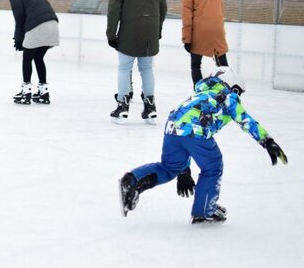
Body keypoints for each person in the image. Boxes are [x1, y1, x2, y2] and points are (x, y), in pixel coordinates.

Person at [119, 67, 288, 224]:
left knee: (169, 168)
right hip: (197, 131)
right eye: (239, 92)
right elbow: (245, 120)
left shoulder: (200, 94)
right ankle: (204, 211)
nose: (239, 97)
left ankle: (131, 181)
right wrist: (267, 141)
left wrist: (184, 171)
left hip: (172, 128)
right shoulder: (227, 96)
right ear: (234, 87)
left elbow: (185, 129)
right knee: (213, 167)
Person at [106, 0, 167, 123]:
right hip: (150, 34)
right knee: (147, 68)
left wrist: (111, 34)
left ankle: (123, 107)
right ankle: (150, 107)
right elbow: (163, 8)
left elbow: (114, 10)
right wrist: (157, 30)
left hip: (128, 33)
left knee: (124, 68)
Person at [6, 0, 60, 105]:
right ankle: (43, 93)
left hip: (38, 27)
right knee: (38, 58)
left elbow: (19, 21)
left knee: (27, 59)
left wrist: (18, 39)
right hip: (53, 26)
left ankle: (26, 92)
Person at [181, 0, 229, 86]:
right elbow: (221, 9)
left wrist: (186, 39)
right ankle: (227, 91)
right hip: (217, 29)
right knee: (222, 63)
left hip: (200, 31)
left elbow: (187, 17)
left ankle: (199, 92)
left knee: (196, 64)